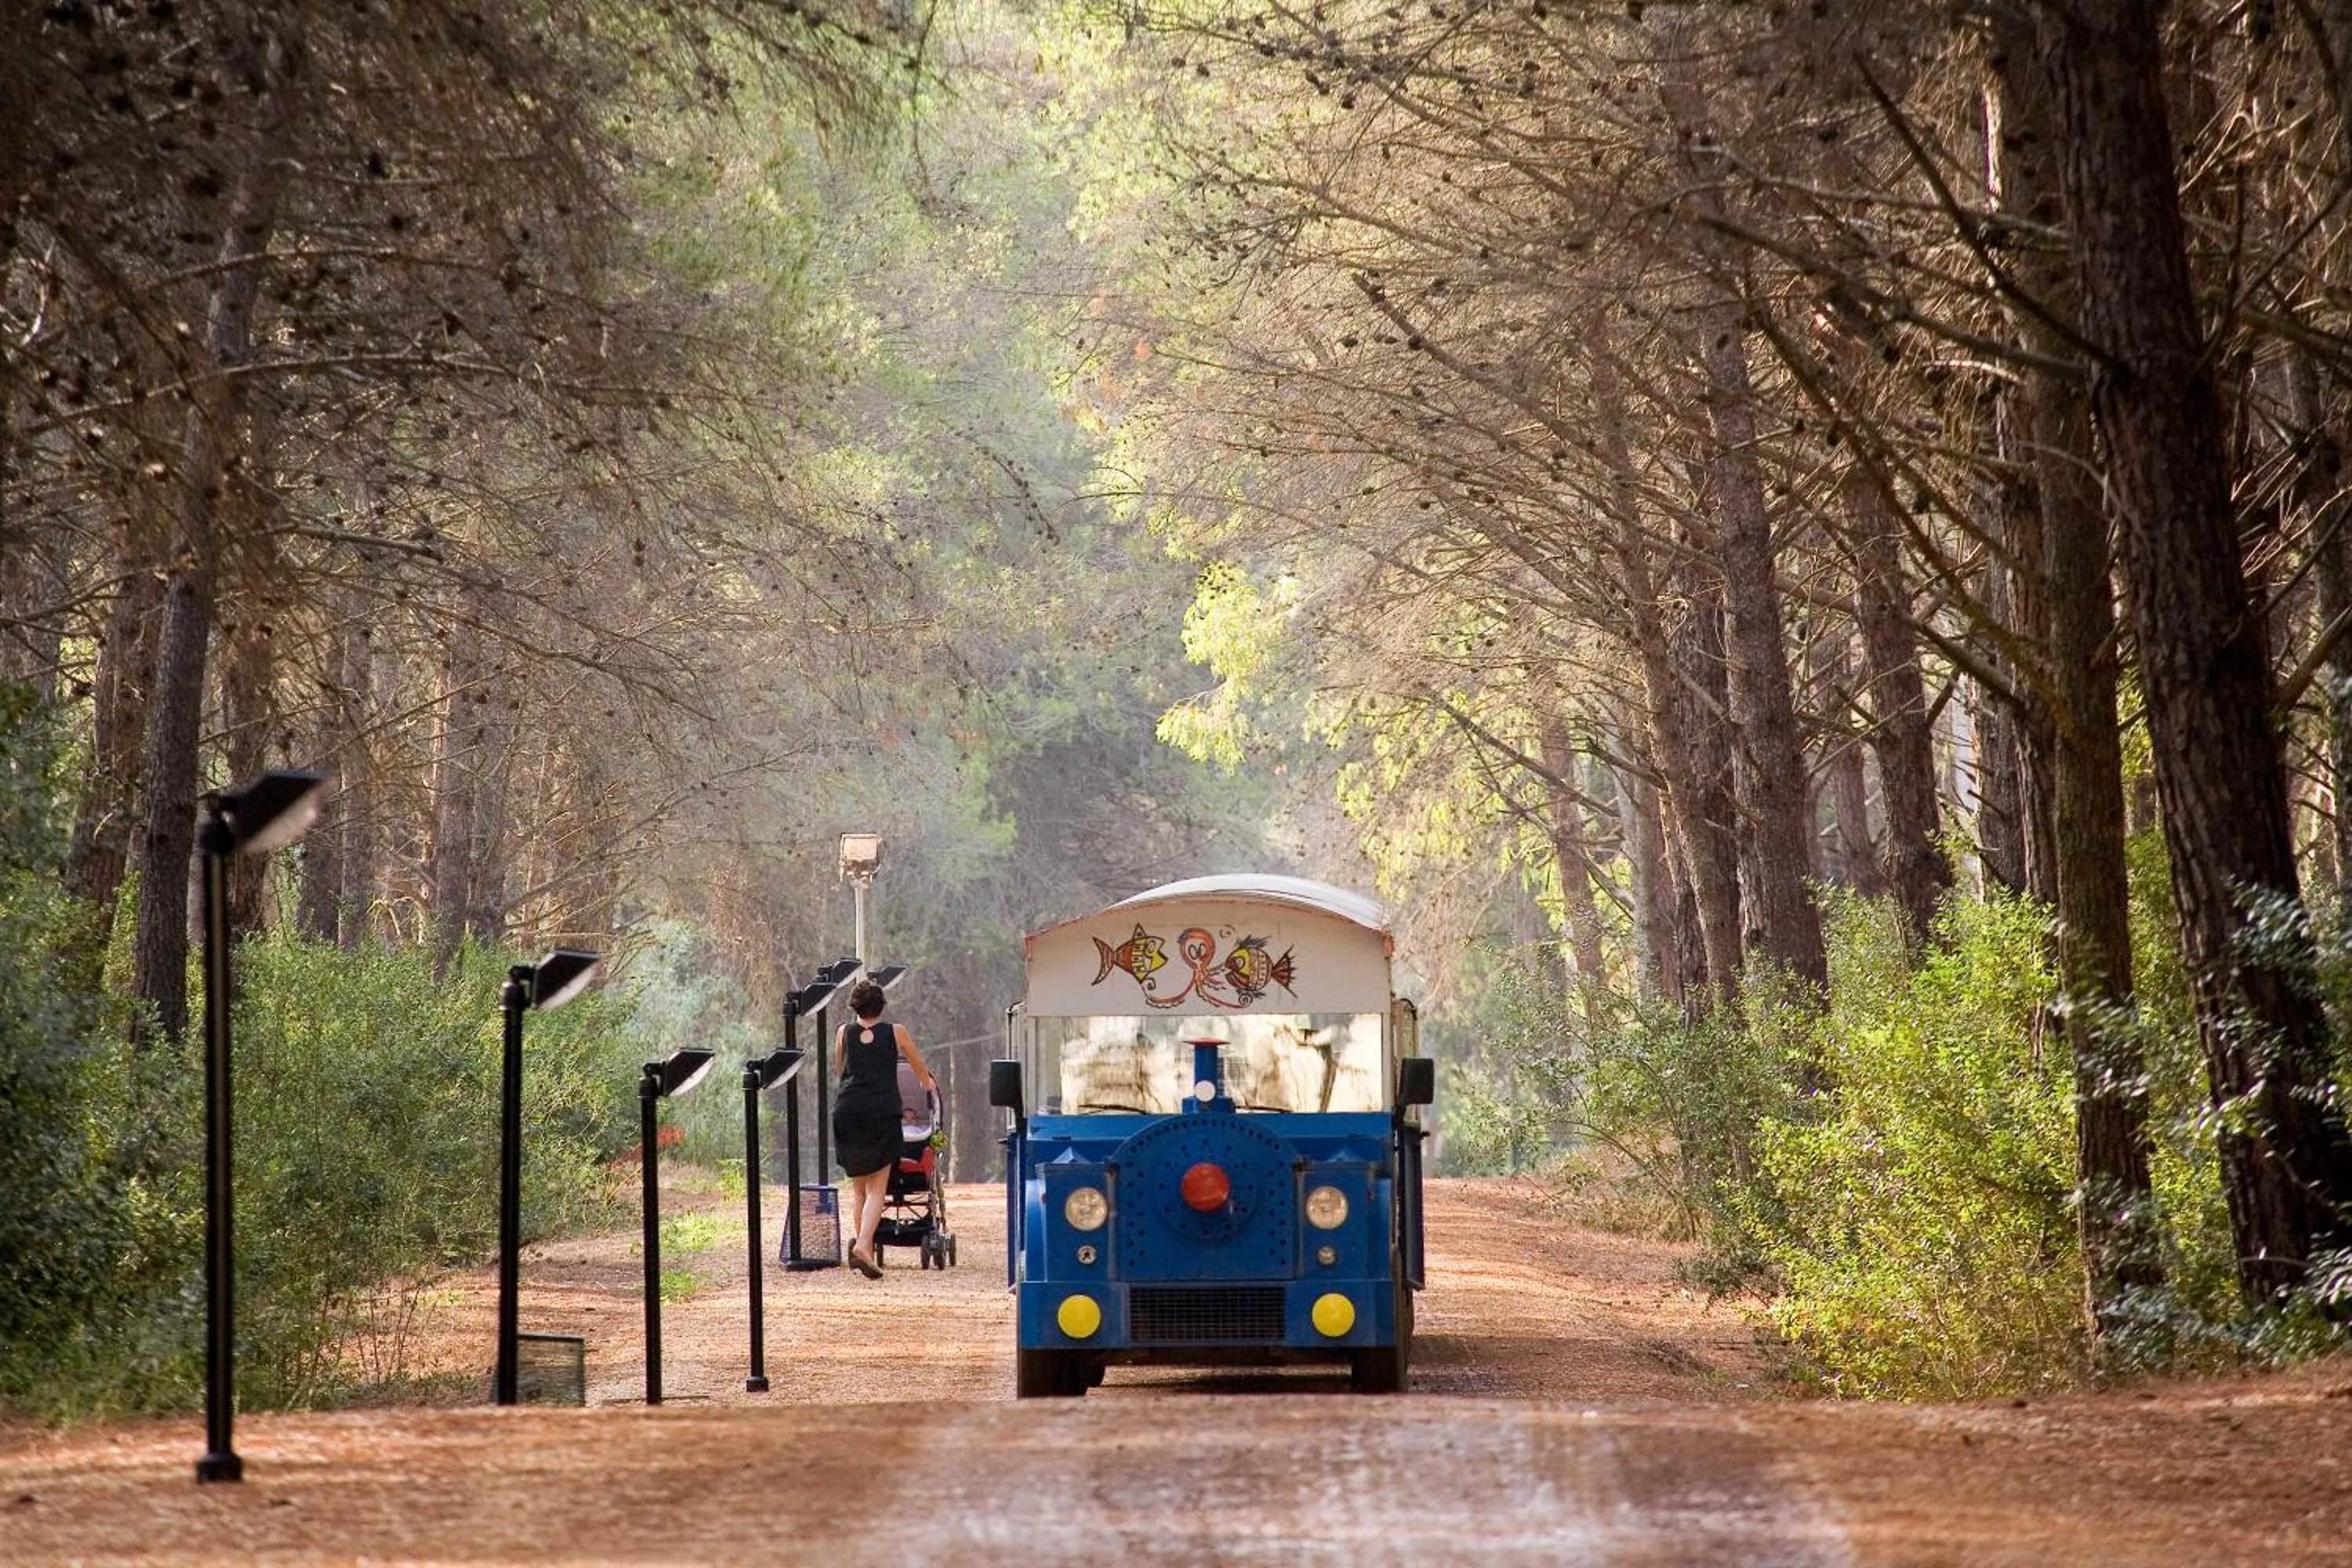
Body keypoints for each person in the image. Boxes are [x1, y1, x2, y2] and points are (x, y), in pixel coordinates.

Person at [831, 979, 935, 1279]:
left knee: (859, 1191)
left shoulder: (843, 1032)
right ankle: (864, 1245)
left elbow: (840, 1070)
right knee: (878, 1188)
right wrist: (927, 1084)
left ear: (855, 1006)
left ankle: (865, 1253)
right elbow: (919, 1068)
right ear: (882, 1006)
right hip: (881, 1113)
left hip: (848, 1111)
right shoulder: (896, 1032)